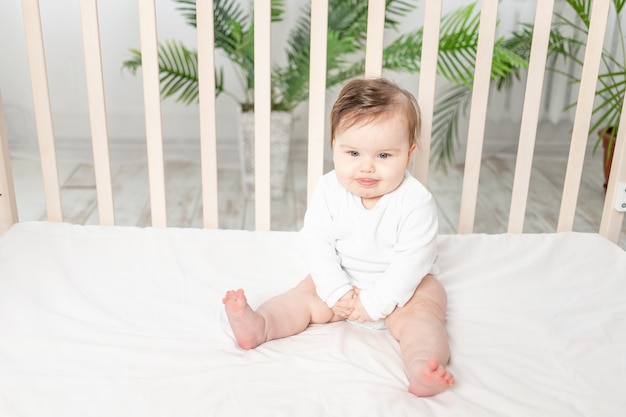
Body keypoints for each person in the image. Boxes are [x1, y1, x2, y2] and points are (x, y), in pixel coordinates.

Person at [222, 77, 454, 397]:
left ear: (409, 153)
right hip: (343, 279)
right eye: (353, 152)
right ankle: (259, 325)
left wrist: (376, 302)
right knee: (303, 293)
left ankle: (421, 366)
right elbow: (317, 244)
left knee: (426, 308)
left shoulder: (416, 201)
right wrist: (335, 290)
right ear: (335, 145)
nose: (367, 167)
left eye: (384, 156)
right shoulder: (329, 190)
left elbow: (413, 261)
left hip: (403, 290)